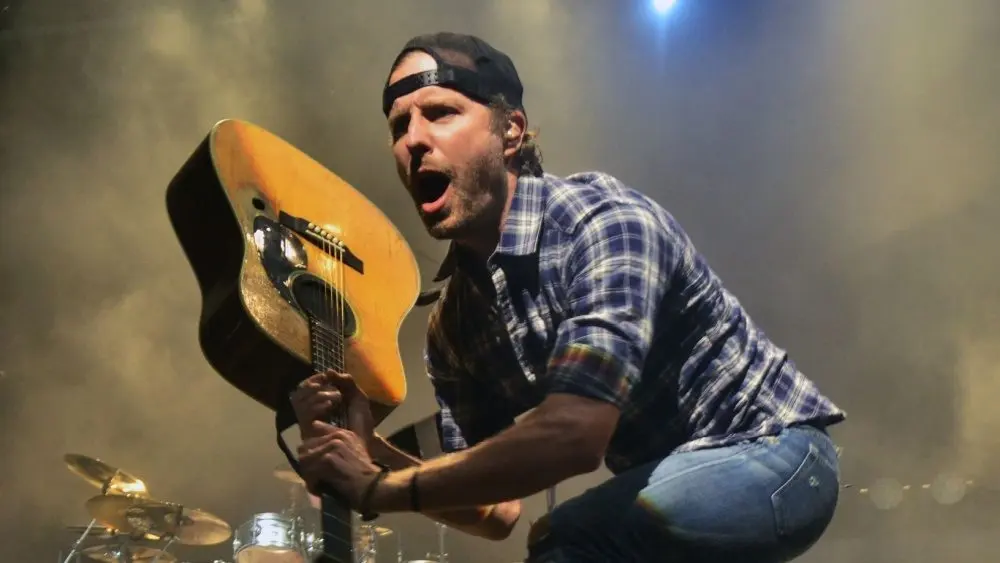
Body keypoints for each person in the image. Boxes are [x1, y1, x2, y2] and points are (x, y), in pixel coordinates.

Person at [291, 32, 847, 562]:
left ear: (511, 131)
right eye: (398, 126)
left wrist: (377, 490)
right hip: (666, 484)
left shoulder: (602, 224)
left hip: (778, 455)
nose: (412, 139)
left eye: (440, 113)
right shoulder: (454, 327)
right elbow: (496, 511)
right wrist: (375, 456)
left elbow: (576, 436)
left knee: (569, 536)